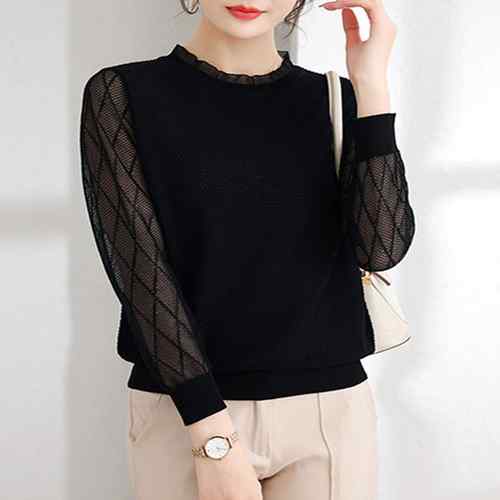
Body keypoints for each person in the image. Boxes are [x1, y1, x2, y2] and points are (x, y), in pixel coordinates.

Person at [78, 0, 415, 498]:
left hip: (329, 413)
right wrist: (211, 435)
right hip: (185, 413)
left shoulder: (336, 98)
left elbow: (380, 249)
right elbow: (140, 272)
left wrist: (371, 86)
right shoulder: (122, 93)